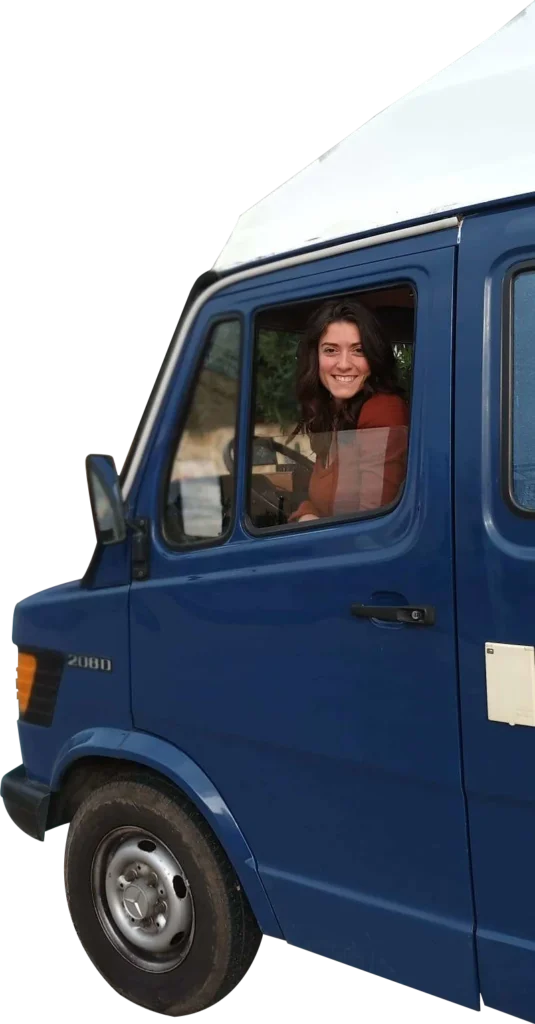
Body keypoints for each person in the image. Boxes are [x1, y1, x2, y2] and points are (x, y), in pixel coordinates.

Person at [288, 299, 409, 523]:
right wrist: (306, 514)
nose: (344, 364)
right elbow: (318, 501)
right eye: (331, 350)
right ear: (315, 357)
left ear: (373, 359)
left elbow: (374, 524)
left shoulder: (382, 409)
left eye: (358, 350)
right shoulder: (334, 413)